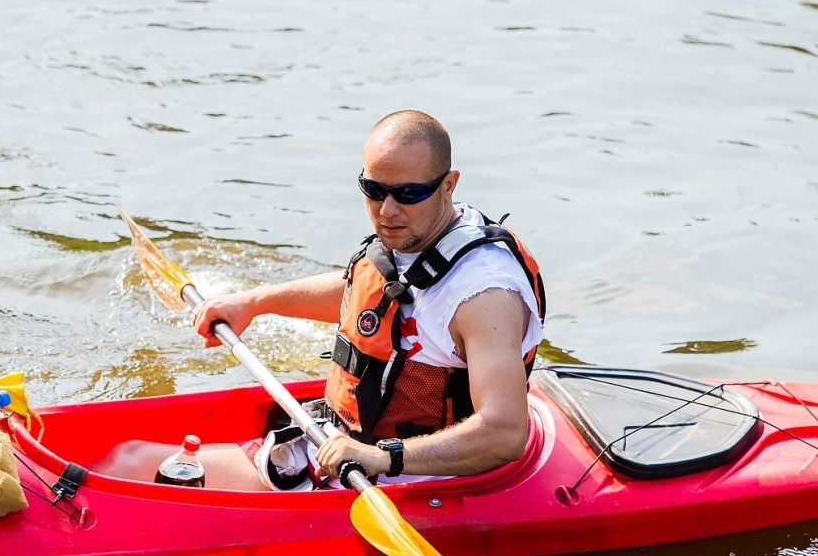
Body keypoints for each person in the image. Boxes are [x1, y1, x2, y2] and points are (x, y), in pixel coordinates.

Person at [92, 109, 545, 489]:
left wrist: (382, 457)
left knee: (131, 466)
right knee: (125, 457)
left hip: (401, 476)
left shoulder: (485, 295)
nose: (387, 210)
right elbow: (374, 299)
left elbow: (505, 433)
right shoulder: (419, 234)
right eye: (374, 190)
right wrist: (253, 303)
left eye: (409, 193)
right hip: (342, 449)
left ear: (449, 186)